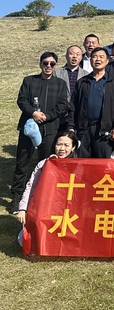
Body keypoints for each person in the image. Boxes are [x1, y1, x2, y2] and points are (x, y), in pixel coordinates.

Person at [11, 52, 69, 213]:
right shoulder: (29, 81)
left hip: (50, 128)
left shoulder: (60, 84)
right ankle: (16, 198)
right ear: (40, 64)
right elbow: (22, 100)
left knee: (46, 164)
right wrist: (33, 113)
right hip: (29, 128)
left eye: (52, 64)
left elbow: (63, 105)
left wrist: (47, 116)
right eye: (45, 63)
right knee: (22, 163)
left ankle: (42, 197)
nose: (48, 66)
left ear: (55, 66)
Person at [69, 47, 114, 158]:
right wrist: (71, 126)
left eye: (101, 57)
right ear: (90, 60)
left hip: (104, 131)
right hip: (84, 129)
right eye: (94, 57)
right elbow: (73, 106)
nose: (98, 59)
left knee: (103, 164)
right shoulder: (82, 82)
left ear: (107, 61)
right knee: (82, 163)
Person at [16, 131, 78, 224]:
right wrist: (23, 209)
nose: (62, 148)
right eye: (59, 144)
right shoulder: (43, 164)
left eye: (66, 145)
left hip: (70, 211)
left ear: (73, 147)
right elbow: (31, 186)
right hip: (46, 208)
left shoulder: (79, 166)